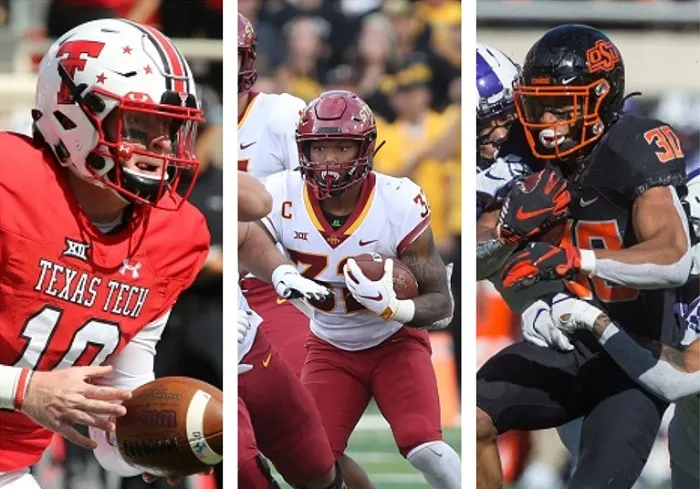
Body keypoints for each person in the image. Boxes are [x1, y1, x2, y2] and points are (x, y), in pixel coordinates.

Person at [0, 18, 212, 488]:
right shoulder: (10, 183)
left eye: (170, 127)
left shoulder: (174, 236)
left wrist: (157, 440)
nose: (160, 145)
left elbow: (113, 439)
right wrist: (23, 389)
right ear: (72, 114)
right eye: (139, 123)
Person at [476, 24, 690, 489]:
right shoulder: (528, 154)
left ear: (600, 99)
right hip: (568, 345)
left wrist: (577, 260)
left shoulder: (633, 147)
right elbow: (471, 256)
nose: (546, 122)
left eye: (560, 106)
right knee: (470, 421)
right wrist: (511, 234)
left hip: (635, 356)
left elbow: (672, 256)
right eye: (538, 104)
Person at [260, 90, 461, 489]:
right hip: (330, 348)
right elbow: (246, 237)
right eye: (320, 148)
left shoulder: (398, 199)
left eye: (341, 146)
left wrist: (395, 308)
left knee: (422, 445)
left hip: (394, 343)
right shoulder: (280, 194)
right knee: (306, 463)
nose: (330, 160)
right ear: (303, 150)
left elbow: (443, 304)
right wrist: (281, 271)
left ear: (365, 147)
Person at [238, 13, 374, 488]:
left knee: (307, 442)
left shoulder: (278, 115)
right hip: (214, 287)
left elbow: (341, 177)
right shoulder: (193, 123)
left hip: (275, 284)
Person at [237, 171, 346, 489]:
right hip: (202, 357)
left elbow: (256, 209)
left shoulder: (192, 186)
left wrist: (281, 271)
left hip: (251, 344)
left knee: (316, 462)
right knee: (246, 473)